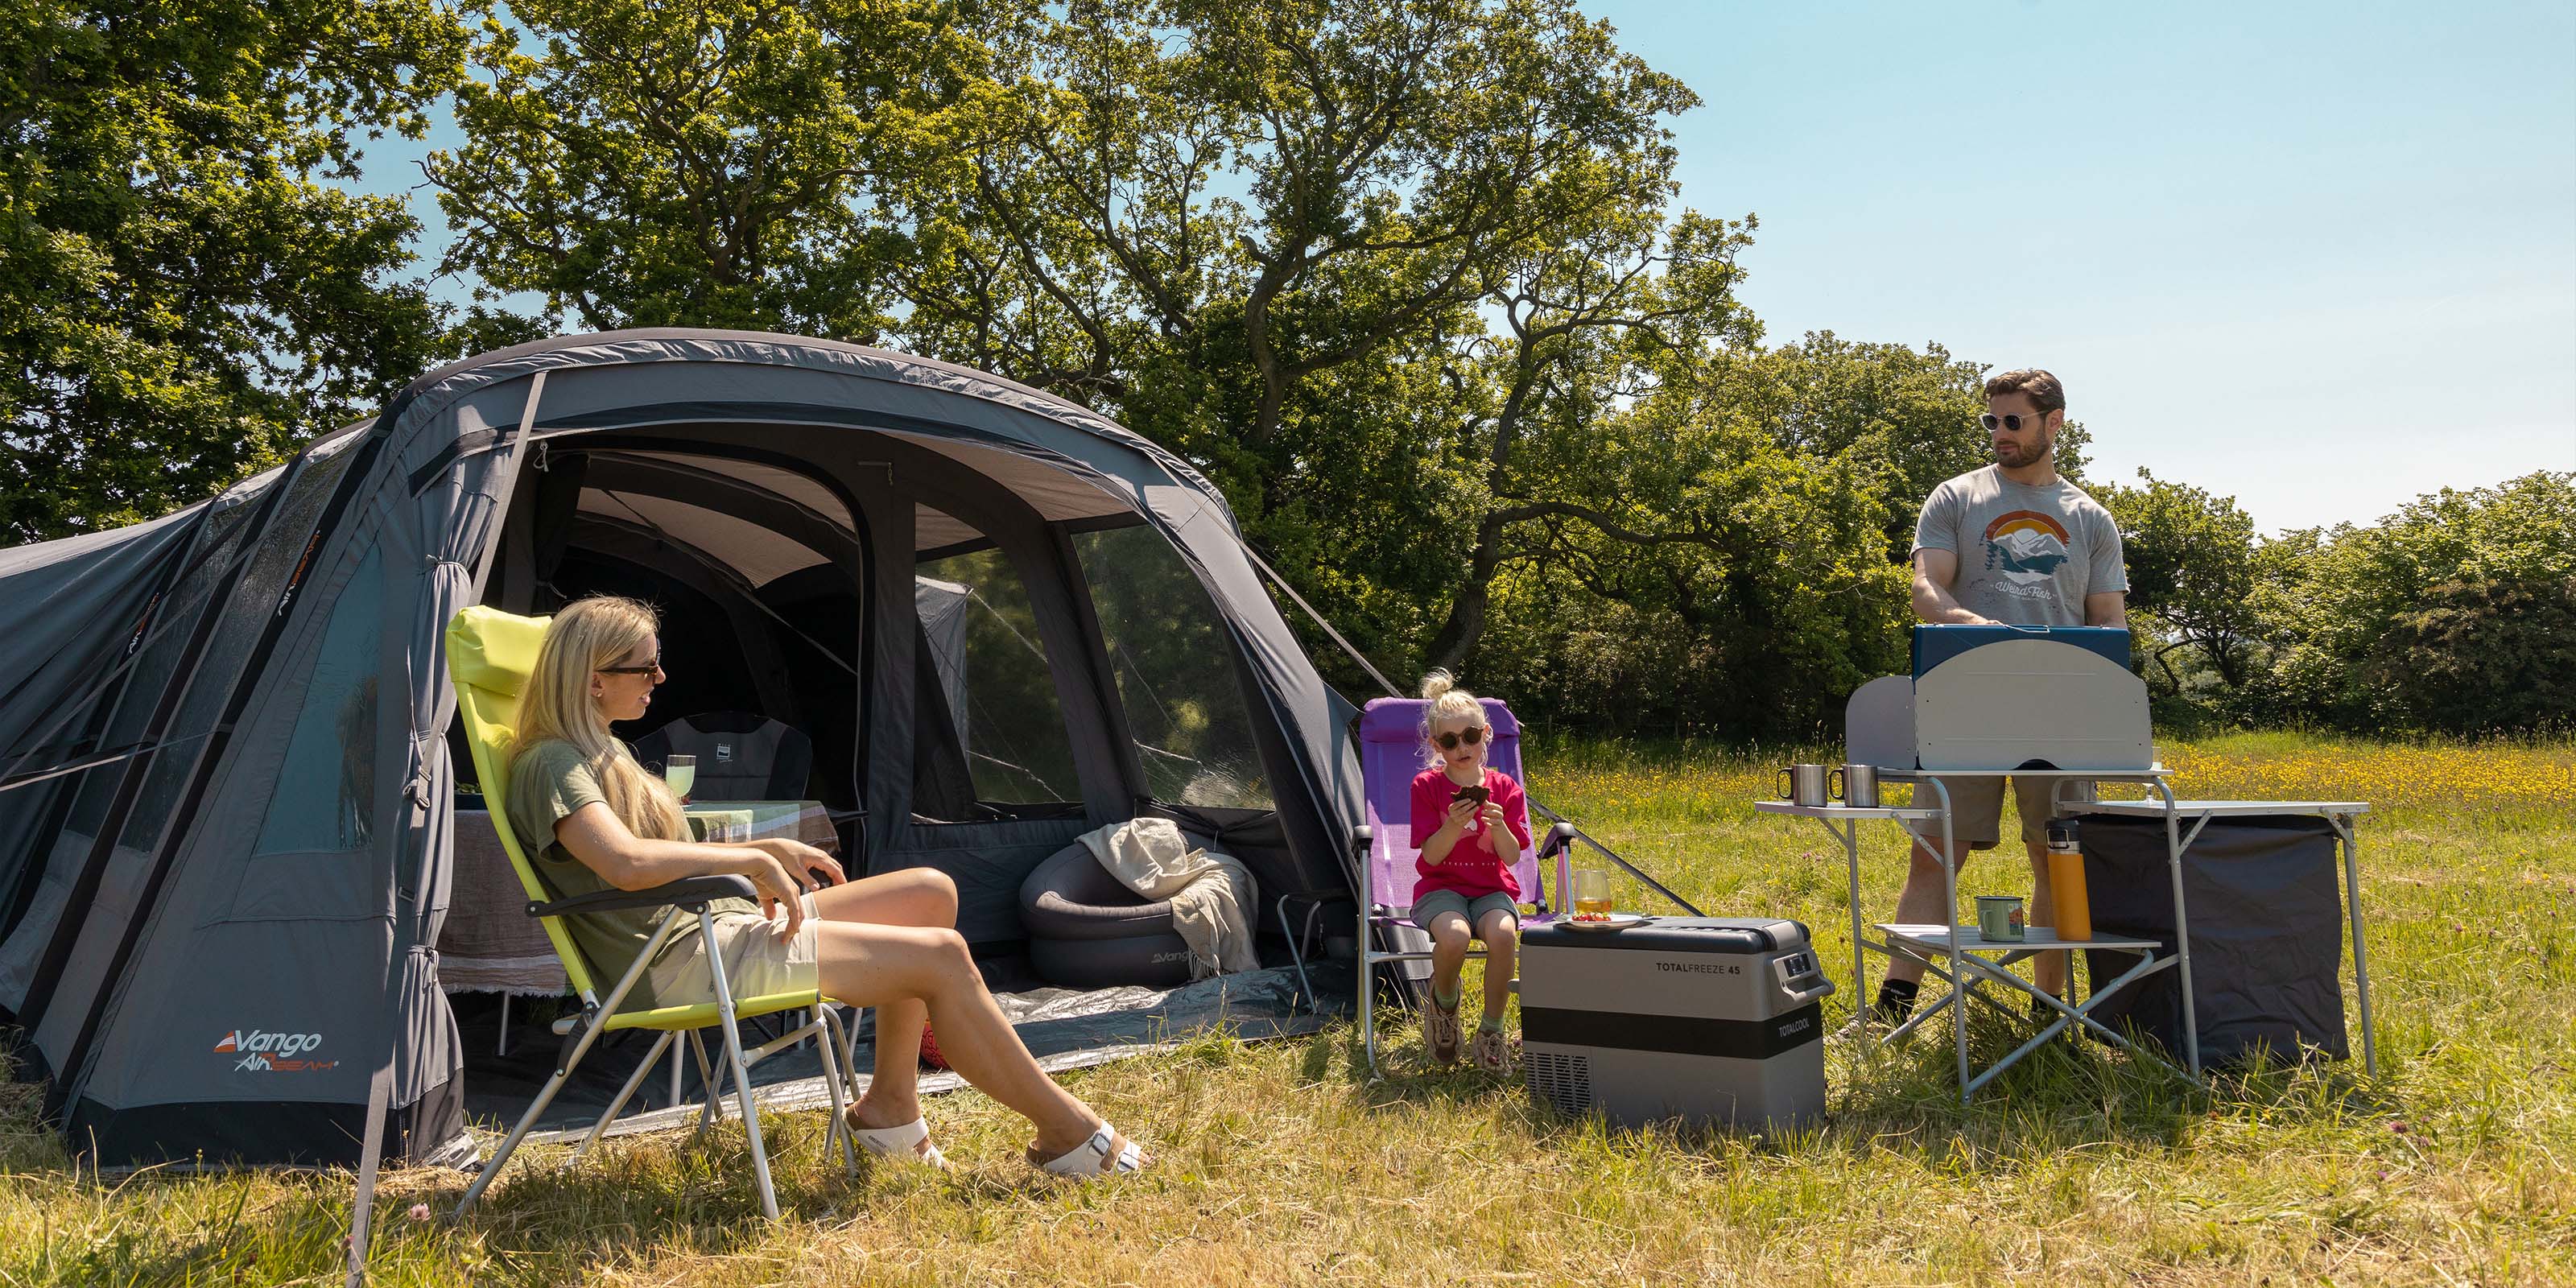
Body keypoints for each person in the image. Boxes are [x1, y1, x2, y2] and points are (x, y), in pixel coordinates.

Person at [506, 595, 1146, 1176]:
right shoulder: (551, 763)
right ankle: (1067, 1130)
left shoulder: (604, 753)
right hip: (680, 957)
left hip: (716, 926)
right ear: (594, 679)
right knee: (943, 956)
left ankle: (890, 1107)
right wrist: (753, 859)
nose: (661, 680)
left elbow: (650, 852)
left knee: (930, 892)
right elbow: (625, 865)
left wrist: (762, 849)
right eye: (646, 669)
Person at [1875, 368, 2128, 1026]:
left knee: (2056, 856)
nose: (2000, 434)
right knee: (1935, 853)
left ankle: (2052, 1011)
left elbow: (2110, 621)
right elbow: (1927, 587)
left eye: (2013, 421)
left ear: (2055, 423)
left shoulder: (2090, 518)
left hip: (2062, 711)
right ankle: (1892, 1009)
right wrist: (1967, 625)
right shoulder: (1956, 499)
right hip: (1963, 697)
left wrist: (2088, 674)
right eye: (1992, 421)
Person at [1407, 670, 1533, 1073]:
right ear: (1436, 745)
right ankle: (1444, 1005)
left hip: (1491, 889)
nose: (1462, 746)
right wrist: (1453, 825)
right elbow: (1431, 856)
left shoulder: (1505, 788)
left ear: (1485, 734)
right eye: (1450, 740)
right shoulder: (1426, 786)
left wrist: (1498, 827)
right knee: (1456, 935)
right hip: (1440, 889)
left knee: (1503, 934)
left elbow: (1512, 857)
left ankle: (1491, 1030)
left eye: (1470, 736)